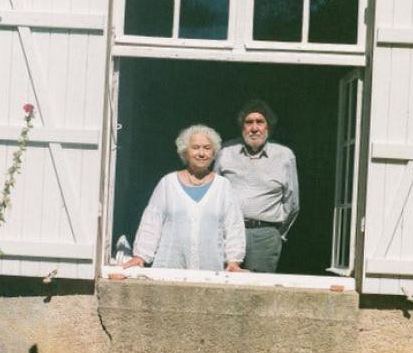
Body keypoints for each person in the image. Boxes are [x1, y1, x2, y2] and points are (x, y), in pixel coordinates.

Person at [122, 124, 246, 272]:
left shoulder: (223, 186)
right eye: (195, 147)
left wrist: (234, 260)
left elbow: (233, 225)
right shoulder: (168, 183)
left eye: (207, 148)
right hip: (170, 267)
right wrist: (141, 256)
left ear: (213, 153)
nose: (201, 153)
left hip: (210, 269)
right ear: (185, 152)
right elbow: (151, 222)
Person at [214, 100, 299, 273]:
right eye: (249, 122)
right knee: (224, 284)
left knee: (258, 291)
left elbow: (292, 203)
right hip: (228, 233)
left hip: (265, 236)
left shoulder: (284, 155)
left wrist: (277, 234)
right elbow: (214, 193)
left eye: (260, 122)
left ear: (269, 126)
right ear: (242, 127)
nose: (254, 128)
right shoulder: (225, 152)